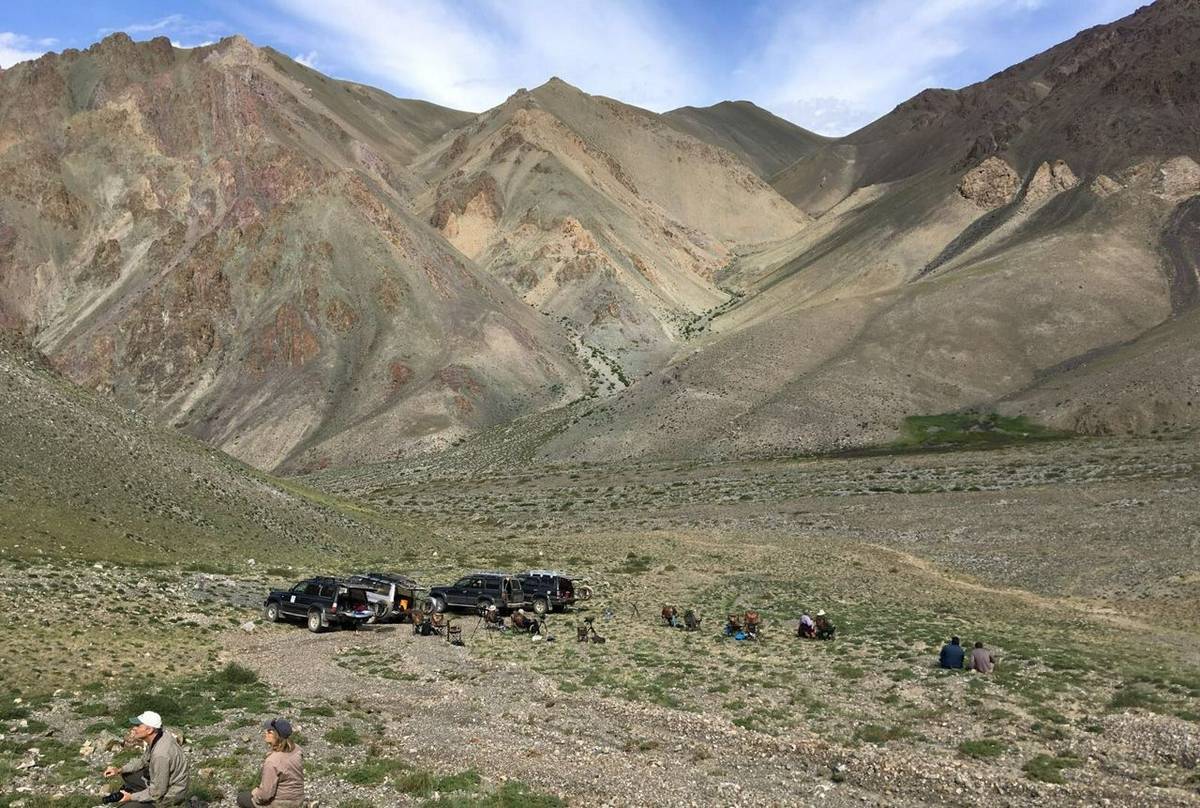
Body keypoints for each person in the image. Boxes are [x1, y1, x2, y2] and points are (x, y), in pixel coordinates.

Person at [101, 710, 189, 806]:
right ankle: (141, 795)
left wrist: (131, 797)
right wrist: (119, 770)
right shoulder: (160, 736)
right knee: (127, 774)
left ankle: (152, 804)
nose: (134, 728)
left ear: (149, 730)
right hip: (164, 783)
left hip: (171, 795)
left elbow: (157, 792)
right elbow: (143, 761)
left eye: (138, 725)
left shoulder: (160, 755)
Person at [237, 718, 304, 808]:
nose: (266, 733)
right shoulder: (297, 749)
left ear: (276, 736)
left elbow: (265, 795)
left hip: (281, 804)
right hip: (298, 799)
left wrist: (255, 793)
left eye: (270, 732)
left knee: (242, 798)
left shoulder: (272, 762)